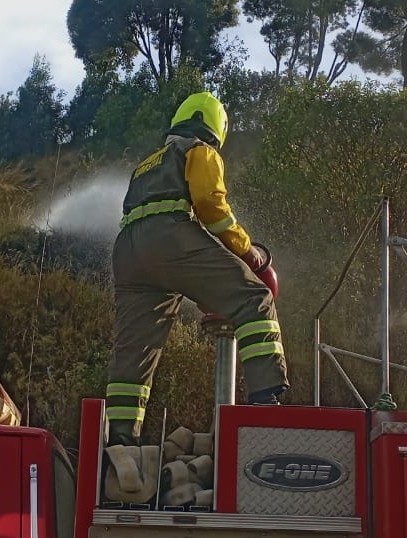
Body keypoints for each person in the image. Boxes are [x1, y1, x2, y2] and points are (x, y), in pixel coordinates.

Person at [103, 91, 288, 449]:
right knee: (255, 298)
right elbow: (210, 205)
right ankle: (266, 397)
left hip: (127, 251)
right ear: (215, 128)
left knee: (135, 350)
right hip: (169, 239)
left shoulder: (146, 164)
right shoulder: (199, 150)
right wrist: (247, 251)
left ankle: (122, 440)